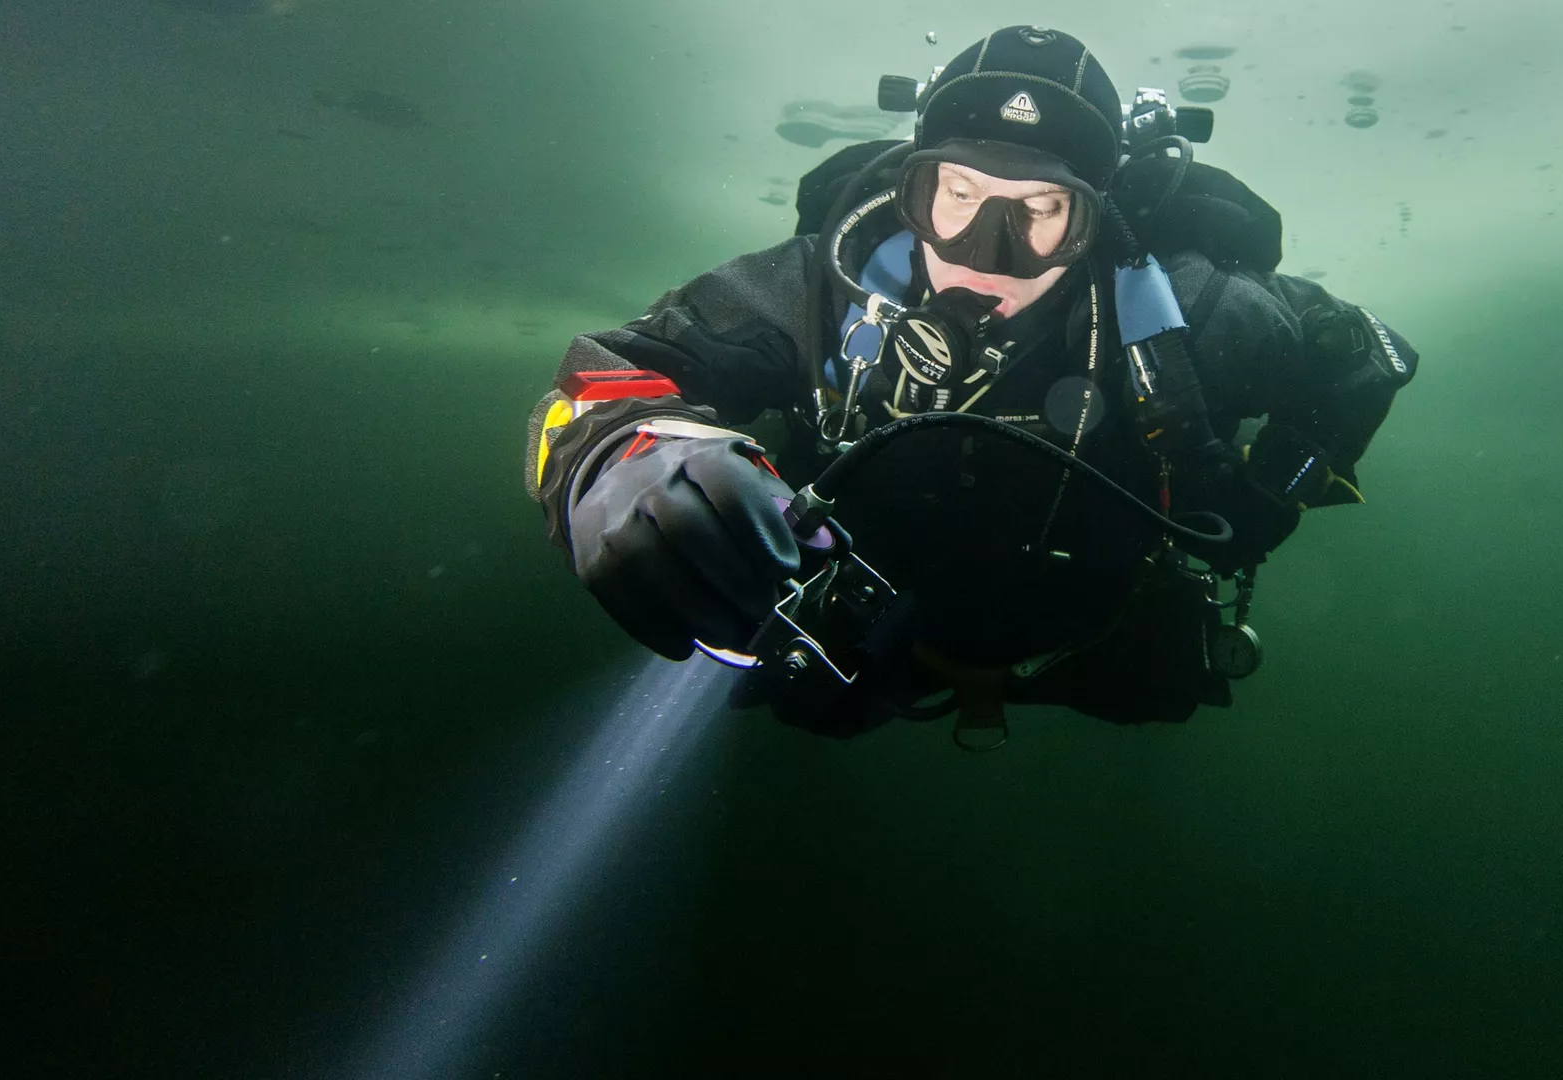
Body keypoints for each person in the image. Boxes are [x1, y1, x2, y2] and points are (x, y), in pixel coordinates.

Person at [523, 26, 1417, 740]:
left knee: (1155, 695)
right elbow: (608, 369)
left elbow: (1369, 353)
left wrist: (1281, 491)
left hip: (1093, 628)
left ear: (1096, 217)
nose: (981, 254)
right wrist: (622, 454)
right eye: (954, 193)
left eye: (1038, 211)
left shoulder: (1195, 310)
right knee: (813, 713)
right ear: (911, 187)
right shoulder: (823, 284)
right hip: (875, 614)